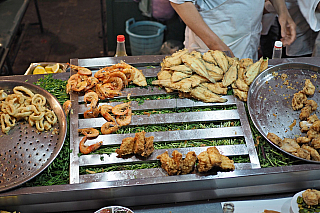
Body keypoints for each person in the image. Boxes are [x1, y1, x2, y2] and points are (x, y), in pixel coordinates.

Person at [169, 0, 296, 60]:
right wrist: (217, 46)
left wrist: (283, 11)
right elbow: (179, 2)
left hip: (249, 41)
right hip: (211, 46)